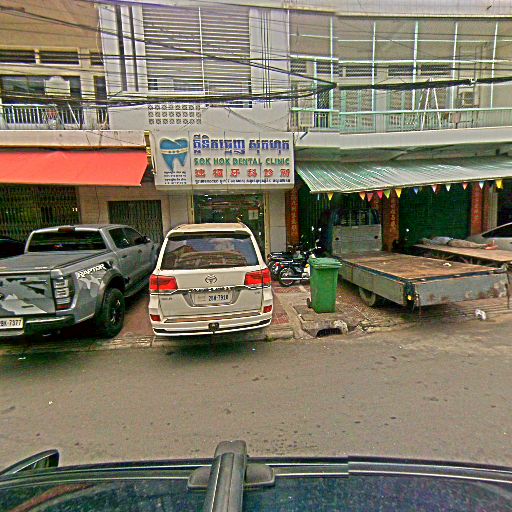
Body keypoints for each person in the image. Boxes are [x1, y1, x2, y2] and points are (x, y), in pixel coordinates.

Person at [421, 235, 498, 250]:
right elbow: (425, 240)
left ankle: (486, 246)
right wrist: (426, 241)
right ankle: (486, 246)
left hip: (454, 240)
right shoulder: (435, 240)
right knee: (469, 245)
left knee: (469, 243)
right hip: (452, 242)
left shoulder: (439, 237)